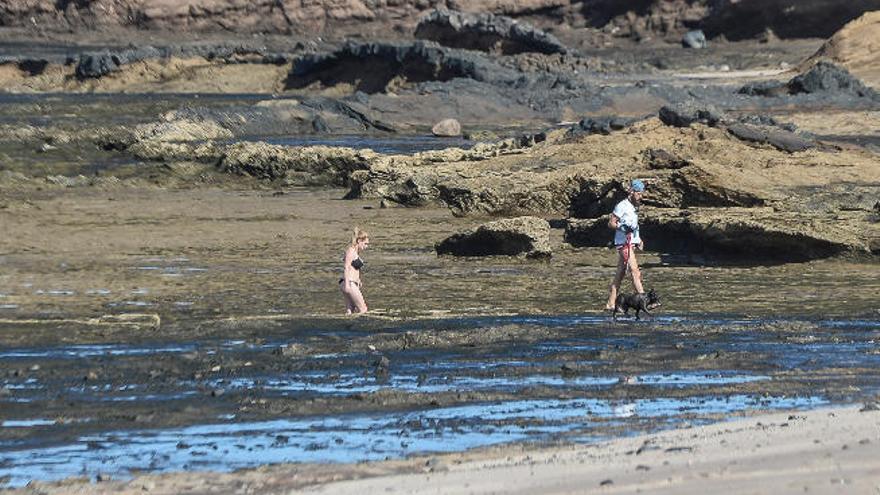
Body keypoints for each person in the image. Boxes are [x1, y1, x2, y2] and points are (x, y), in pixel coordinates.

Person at [605, 179, 646, 311]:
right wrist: (622, 228)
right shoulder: (622, 205)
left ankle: (611, 303)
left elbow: (635, 227)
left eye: (642, 194)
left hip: (631, 243)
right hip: (623, 244)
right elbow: (611, 223)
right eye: (639, 193)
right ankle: (644, 300)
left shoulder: (634, 207)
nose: (641, 196)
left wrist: (638, 240)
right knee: (634, 271)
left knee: (620, 273)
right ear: (632, 192)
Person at [340, 227, 370, 314]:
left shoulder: (355, 253)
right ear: (359, 241)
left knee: (350, 310)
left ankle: (347, 326)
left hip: (352, 283)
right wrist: (347, 285)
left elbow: (355, 269)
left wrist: (358, 280)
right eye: (365, 244)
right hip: (349, 282)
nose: (366, 246)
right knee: (363, 309)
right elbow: (346, 267)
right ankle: (360, 326)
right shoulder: (350, 251)